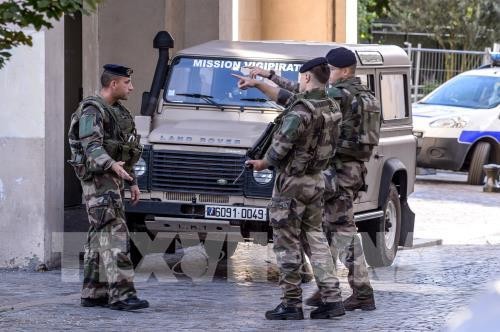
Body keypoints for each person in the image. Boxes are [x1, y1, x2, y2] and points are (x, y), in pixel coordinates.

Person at [246, 46, 378, 311]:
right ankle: (336, 289)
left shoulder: (339, 94)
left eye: (331, 69)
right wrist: (270, 76)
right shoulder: (366, 96)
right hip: (353, 170)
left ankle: (347, 290)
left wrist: (265, 82)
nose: (327, 74)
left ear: (345, 71)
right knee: (334, 231)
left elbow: (297, 97)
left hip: (335, 172)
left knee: (326, 231)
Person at [233, 57, 344, 320]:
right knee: (316, 240)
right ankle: (332, 299)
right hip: (316, 180)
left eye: (299, 77)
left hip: (291, 183)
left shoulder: (299, 112)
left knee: (287, 243)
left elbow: (279, 148)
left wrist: (262, 163)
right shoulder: (331, 105)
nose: (298, 81)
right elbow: (285, 94)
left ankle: (291, 304)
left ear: (306, 77)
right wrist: (261, 82)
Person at [68, 64, 149, 311]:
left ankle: (94, 292)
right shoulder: (92, 110)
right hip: (97, 181)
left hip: (111, 180)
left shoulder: (117, 112)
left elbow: (124, 150)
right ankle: (122, 295)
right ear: (113, 84)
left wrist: (131, 180)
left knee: (99, 235)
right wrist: (112, 165)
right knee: (115, 235)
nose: (131, 88)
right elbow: (91, 145)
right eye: (127, 83)